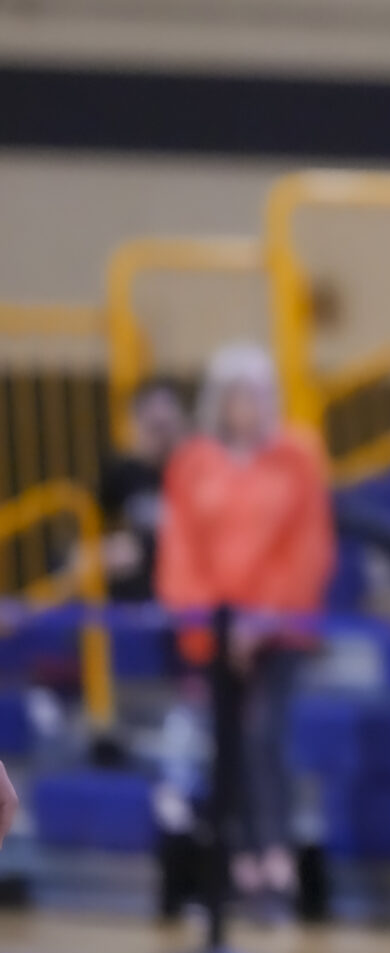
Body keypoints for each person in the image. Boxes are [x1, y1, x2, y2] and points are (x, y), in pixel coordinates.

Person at [156, 343, 334, 910]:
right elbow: (180, 550)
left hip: (278, 628)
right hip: (211, 630)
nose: (247, 406)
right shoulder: (192, 463)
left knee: (265, 737)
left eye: (257, 394)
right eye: (237, 394)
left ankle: (274, 850)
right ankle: (232, 856)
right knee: (221, 743)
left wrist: (262, 620)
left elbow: (308, 548)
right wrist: (214, 620)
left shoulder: (297, 457)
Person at [97, 377, 188, 602]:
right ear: (136, 425)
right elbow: (88, 529)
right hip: (132, 601)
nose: (162, 438)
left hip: (185, 600)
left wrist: (142, 549)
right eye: (153, 427)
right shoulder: (121, 475)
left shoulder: (197, 475)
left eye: (167, 426)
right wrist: (101, 551)